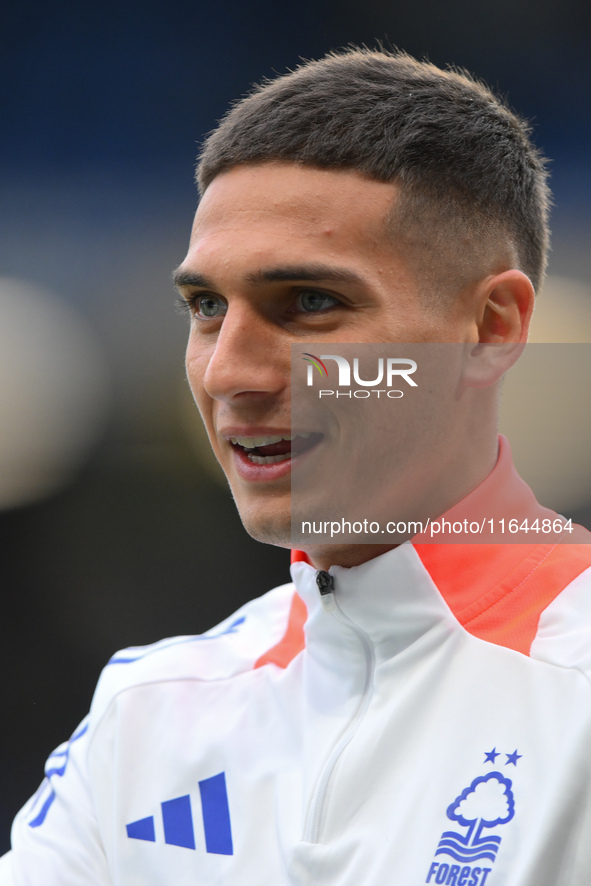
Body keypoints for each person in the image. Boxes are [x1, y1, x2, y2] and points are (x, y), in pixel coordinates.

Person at [2, 47, 591, 886]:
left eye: (310, 303)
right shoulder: (147, 714)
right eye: (206, 307)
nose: (228, 372)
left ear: (491, 328)